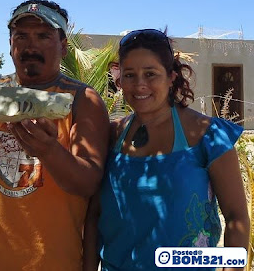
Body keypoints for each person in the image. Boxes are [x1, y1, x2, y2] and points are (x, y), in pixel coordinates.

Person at [0, 0, 109, 271]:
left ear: (63, 46)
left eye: (43, 36)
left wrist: (49, 150)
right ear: (10, 42)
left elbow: (88, 185)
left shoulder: (82, 100)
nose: (30, 45)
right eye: (21, 35)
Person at [83, 29, 249, 271]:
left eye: (150, 74)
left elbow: (236, 217)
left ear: (171, 77)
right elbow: (95, 215)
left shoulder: (207, 135)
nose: (139, 84)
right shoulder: (110, 136)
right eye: (130, 75)